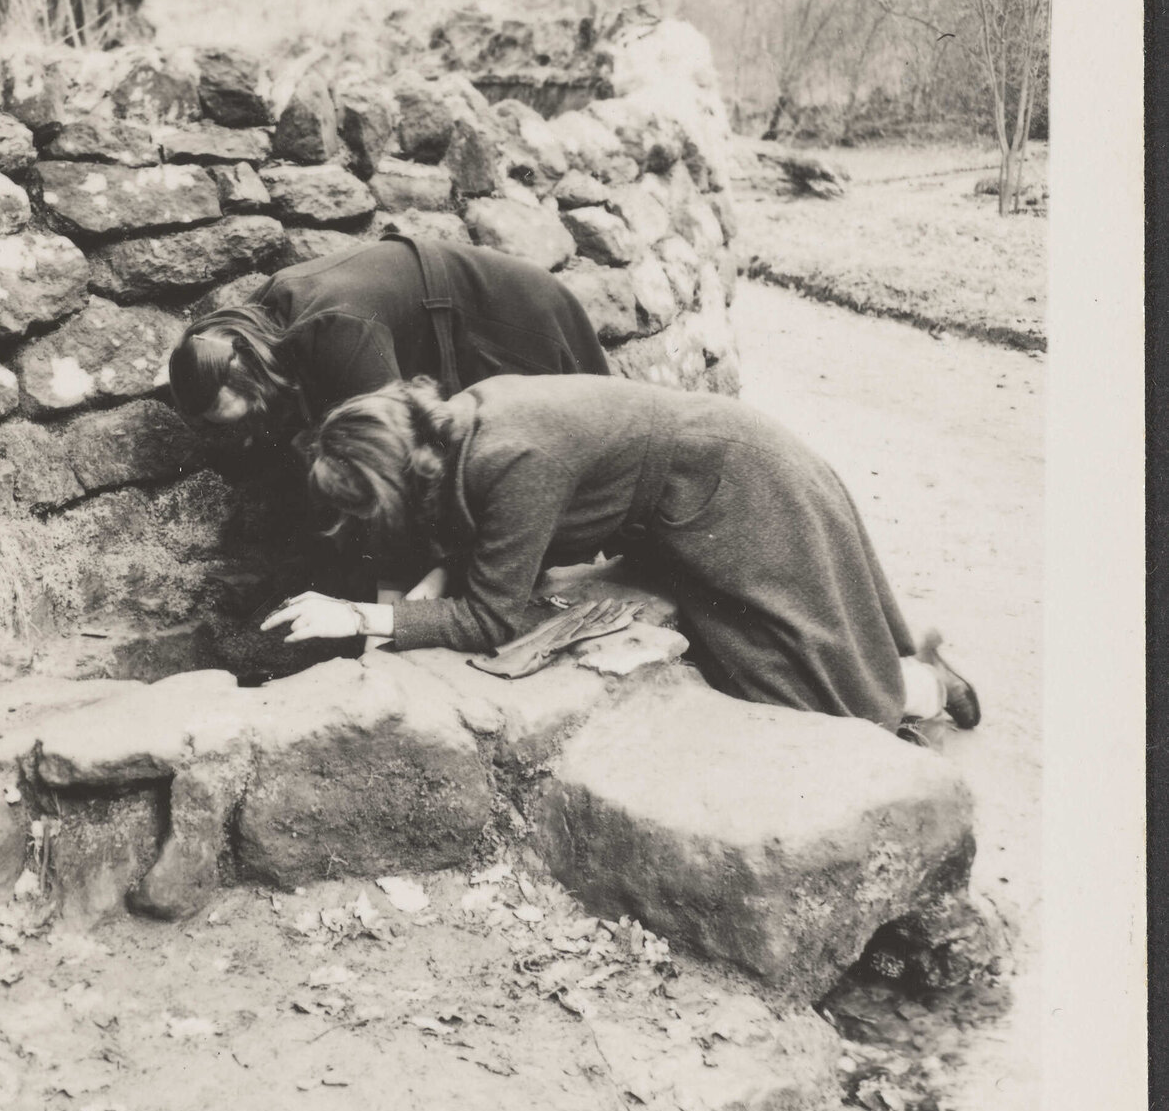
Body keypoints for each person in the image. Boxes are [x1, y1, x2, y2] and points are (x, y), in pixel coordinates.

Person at [260, 374, 980, 734]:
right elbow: (481, 530)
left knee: (818, 693)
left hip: (739, 486)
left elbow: (492, 619)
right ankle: (906, 672)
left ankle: (931, 687)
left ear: (400, 469)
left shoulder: (515, 455)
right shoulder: (460, 422)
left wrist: (361, 620)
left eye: (367, 502)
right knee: (742, 660)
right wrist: (438, 576)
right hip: (680, 502)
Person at [167, 232, 610, 437]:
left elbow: (392, 452)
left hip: (509, 319)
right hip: (446, 326)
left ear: (250, 367)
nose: (250, 429)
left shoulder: (334, 329)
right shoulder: (257, 327)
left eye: (250, 411)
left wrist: (390, 602)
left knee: (577, 440)